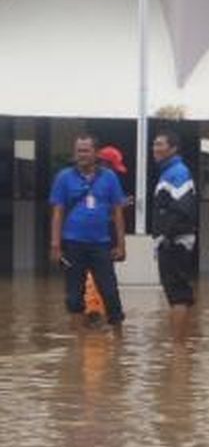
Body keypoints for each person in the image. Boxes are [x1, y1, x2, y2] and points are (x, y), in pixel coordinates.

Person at [49, 133, 126, 331]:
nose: (81, 154)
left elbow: (118, 212)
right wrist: (55, 245)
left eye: (85, 150)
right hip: (73, 244)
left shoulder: (109, 177)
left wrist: (121, 244)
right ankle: (78, 342)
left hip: (101, 244)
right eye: (78, 151)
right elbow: (58, 212)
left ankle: (118, 342)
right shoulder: (64, 177)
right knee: (74, 295)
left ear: (96, 153)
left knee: (110, 292)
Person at [152, 130, 198, 333]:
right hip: (172, 241)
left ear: (173, 148)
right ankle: (178, 350)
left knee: (178, 295)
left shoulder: (177, 172)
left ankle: (179, 350)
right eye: (154, 144)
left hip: (175, 243)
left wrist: (167, 237)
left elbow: (182, 208)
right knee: (174, 294)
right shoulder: (169, 171)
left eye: (160, 144)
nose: (155, 148)